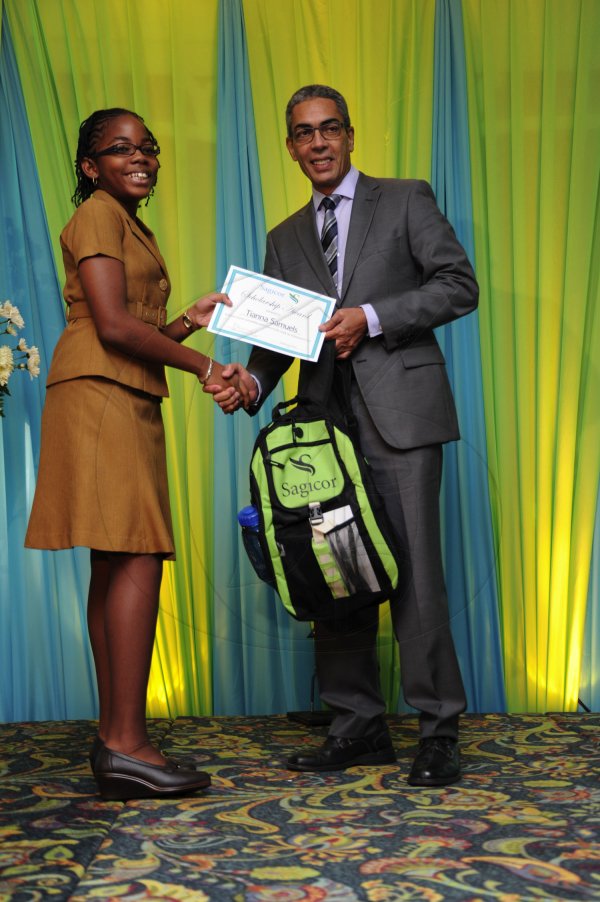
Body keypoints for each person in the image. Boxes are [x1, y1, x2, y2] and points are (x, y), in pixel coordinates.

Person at [208, 85, 479, 786]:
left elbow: (458, 284)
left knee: (414, 570)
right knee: (333, 573)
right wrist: (253, 385)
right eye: (304, 133)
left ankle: (437, 729)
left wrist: (373, 317)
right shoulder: (283, 236)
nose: (318, 143)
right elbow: (276, 343)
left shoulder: (406, 198)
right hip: (322, 429)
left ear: (351, 136)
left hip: (404, 415)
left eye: (330, 129)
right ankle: (357, 725)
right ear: (291, 146)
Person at [25, 107, 250, 801]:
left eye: (147, 146)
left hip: (116, 390)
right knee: (136, 554)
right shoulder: (97, 212)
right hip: (103, 394)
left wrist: (187, 319)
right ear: (91, 166)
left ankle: (117, 736)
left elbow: (119, 316)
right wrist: (203, 364)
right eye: (120, 148)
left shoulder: (122, 218)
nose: (140, 157)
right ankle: (126, 742)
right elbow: (115, 324)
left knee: (119, 557)